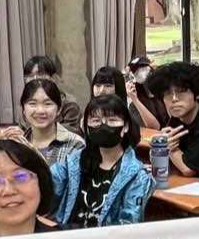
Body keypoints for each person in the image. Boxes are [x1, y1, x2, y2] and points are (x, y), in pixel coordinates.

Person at [50, 95, 154, 228]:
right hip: (66, 235)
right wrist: (27, 170)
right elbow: (46, 182)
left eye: (112, 120)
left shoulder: (137, 176)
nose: (103, 126)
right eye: (95, 120)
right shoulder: (74, 161)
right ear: (86, 126)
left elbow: (128, 224)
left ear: (126, 126)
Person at [0, 78, 84, 166]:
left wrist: (32, 151)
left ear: (59, 109)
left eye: (47, 104)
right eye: (32, 104)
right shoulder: (16, 145)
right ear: (23, 109)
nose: (40, 110)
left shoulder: (74, 144)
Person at [23, 53, 83, 134]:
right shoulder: (26, 105)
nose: (35, 79)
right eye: (30, 76)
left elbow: (71, 133)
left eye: (40, 74)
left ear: (53, 78)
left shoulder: (70, 105)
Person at [125, 54, 166, 130]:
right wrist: (135, 99)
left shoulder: (164, 94)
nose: (142, 73)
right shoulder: (134, 105)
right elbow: (155, 127)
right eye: (137, 71)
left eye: (144, 68)